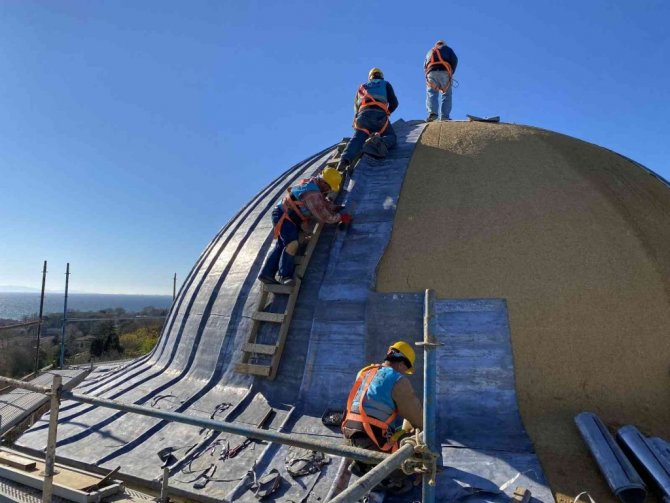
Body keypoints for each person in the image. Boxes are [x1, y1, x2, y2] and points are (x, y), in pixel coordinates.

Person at [341, 341, 423, 492]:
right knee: (416, 444)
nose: (405, 373)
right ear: (402, 364)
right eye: (406, 369)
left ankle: (360, 463)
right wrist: (423, 433)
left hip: (348, 437)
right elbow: (417, 417)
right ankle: (387, 478)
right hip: (371, 442)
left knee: (391, 431)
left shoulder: (365, 371)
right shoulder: (398, 381)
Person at [258, 168, 351, 286]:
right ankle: (285, 276)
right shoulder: (312, 194)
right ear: (323, 182)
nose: (328, 190)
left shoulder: (312, 184)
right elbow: (325, 216)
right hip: (285, 217)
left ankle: (266, 274)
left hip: (285, 215)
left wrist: (335, 207)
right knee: (292, 244)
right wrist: (340, 217)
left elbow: (323, 203)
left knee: (282, 245)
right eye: (328, 187)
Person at [338, 68, 399, 174]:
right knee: (391, 136)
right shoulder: (385, 84)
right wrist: (387, 112)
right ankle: (378, 143)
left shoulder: (362, 87)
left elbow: (356, 109)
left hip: (363, 116)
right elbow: (394, 103)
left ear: (370, 77)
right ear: (381, 76)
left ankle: (344, 160)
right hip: (379, 115)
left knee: (357, 139)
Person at [424, 40, 458, 122]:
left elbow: (424, 65)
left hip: (431, 73)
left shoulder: (430, 51)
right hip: (444, 71)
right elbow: (455, 60)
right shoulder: (448, 49)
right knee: (446, 94)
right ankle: (444, 117)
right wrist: (451, 72)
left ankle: (432, 114)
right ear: (444, 44)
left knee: (431, 93)